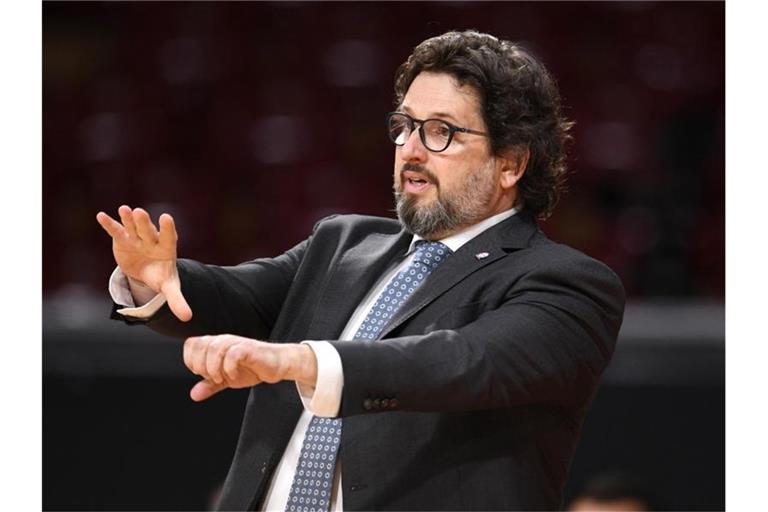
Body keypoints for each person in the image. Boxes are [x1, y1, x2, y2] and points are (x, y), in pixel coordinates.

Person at [97, 30, 625, 511]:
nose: (411, 150)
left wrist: (304, 362)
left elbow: (461, 362)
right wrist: (153, 280)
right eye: (405, 127)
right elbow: (234, 295)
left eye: (440, 132)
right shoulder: (343, 243)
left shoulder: (566, 283)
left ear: (511, 163)